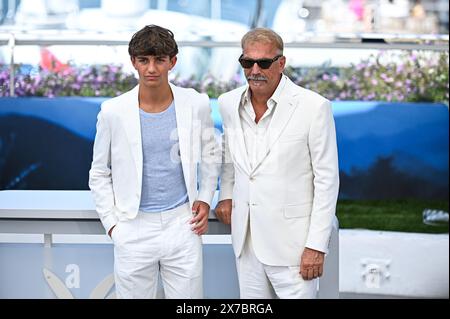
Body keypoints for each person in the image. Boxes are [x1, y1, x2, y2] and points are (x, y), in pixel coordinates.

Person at [89, 25, 219, 299]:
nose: (151, 68)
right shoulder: (112, 111)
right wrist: (113, 226)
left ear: (172, 61)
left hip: (183, 224)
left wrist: (206, 198)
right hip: (132, 226)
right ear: (133, 61)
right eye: (144, 60)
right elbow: (99, 172)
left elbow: (211, 153)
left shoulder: (196, 103)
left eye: (159, 60)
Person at [214, 28, 339, 299]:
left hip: (293, 247)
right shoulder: (227, 103)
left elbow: (327, 180)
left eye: (264, 62)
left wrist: (317, 246)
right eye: (247, 62)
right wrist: (225, 194)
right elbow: (229, 156)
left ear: (281, 63)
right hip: (245, 241)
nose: (255, 69)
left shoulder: (314, 107)